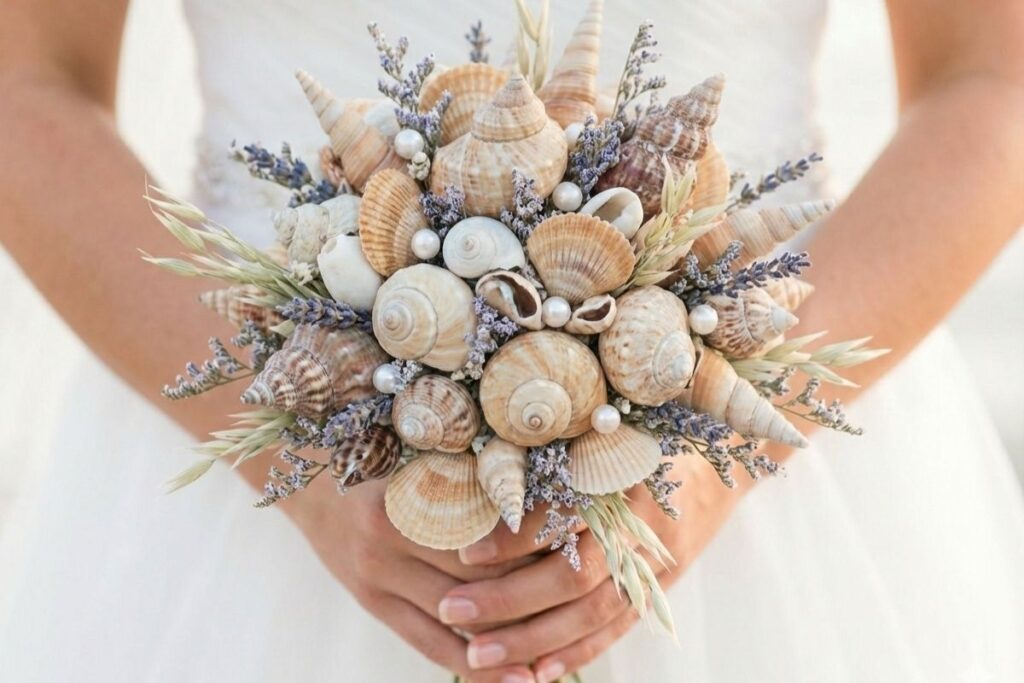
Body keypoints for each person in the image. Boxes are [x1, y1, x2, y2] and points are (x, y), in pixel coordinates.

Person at [1, 0, 1023, 681]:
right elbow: (23, 81)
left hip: (773, 466)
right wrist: (289, 446)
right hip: (246, 460)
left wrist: (731, 444)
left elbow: (992, 78)